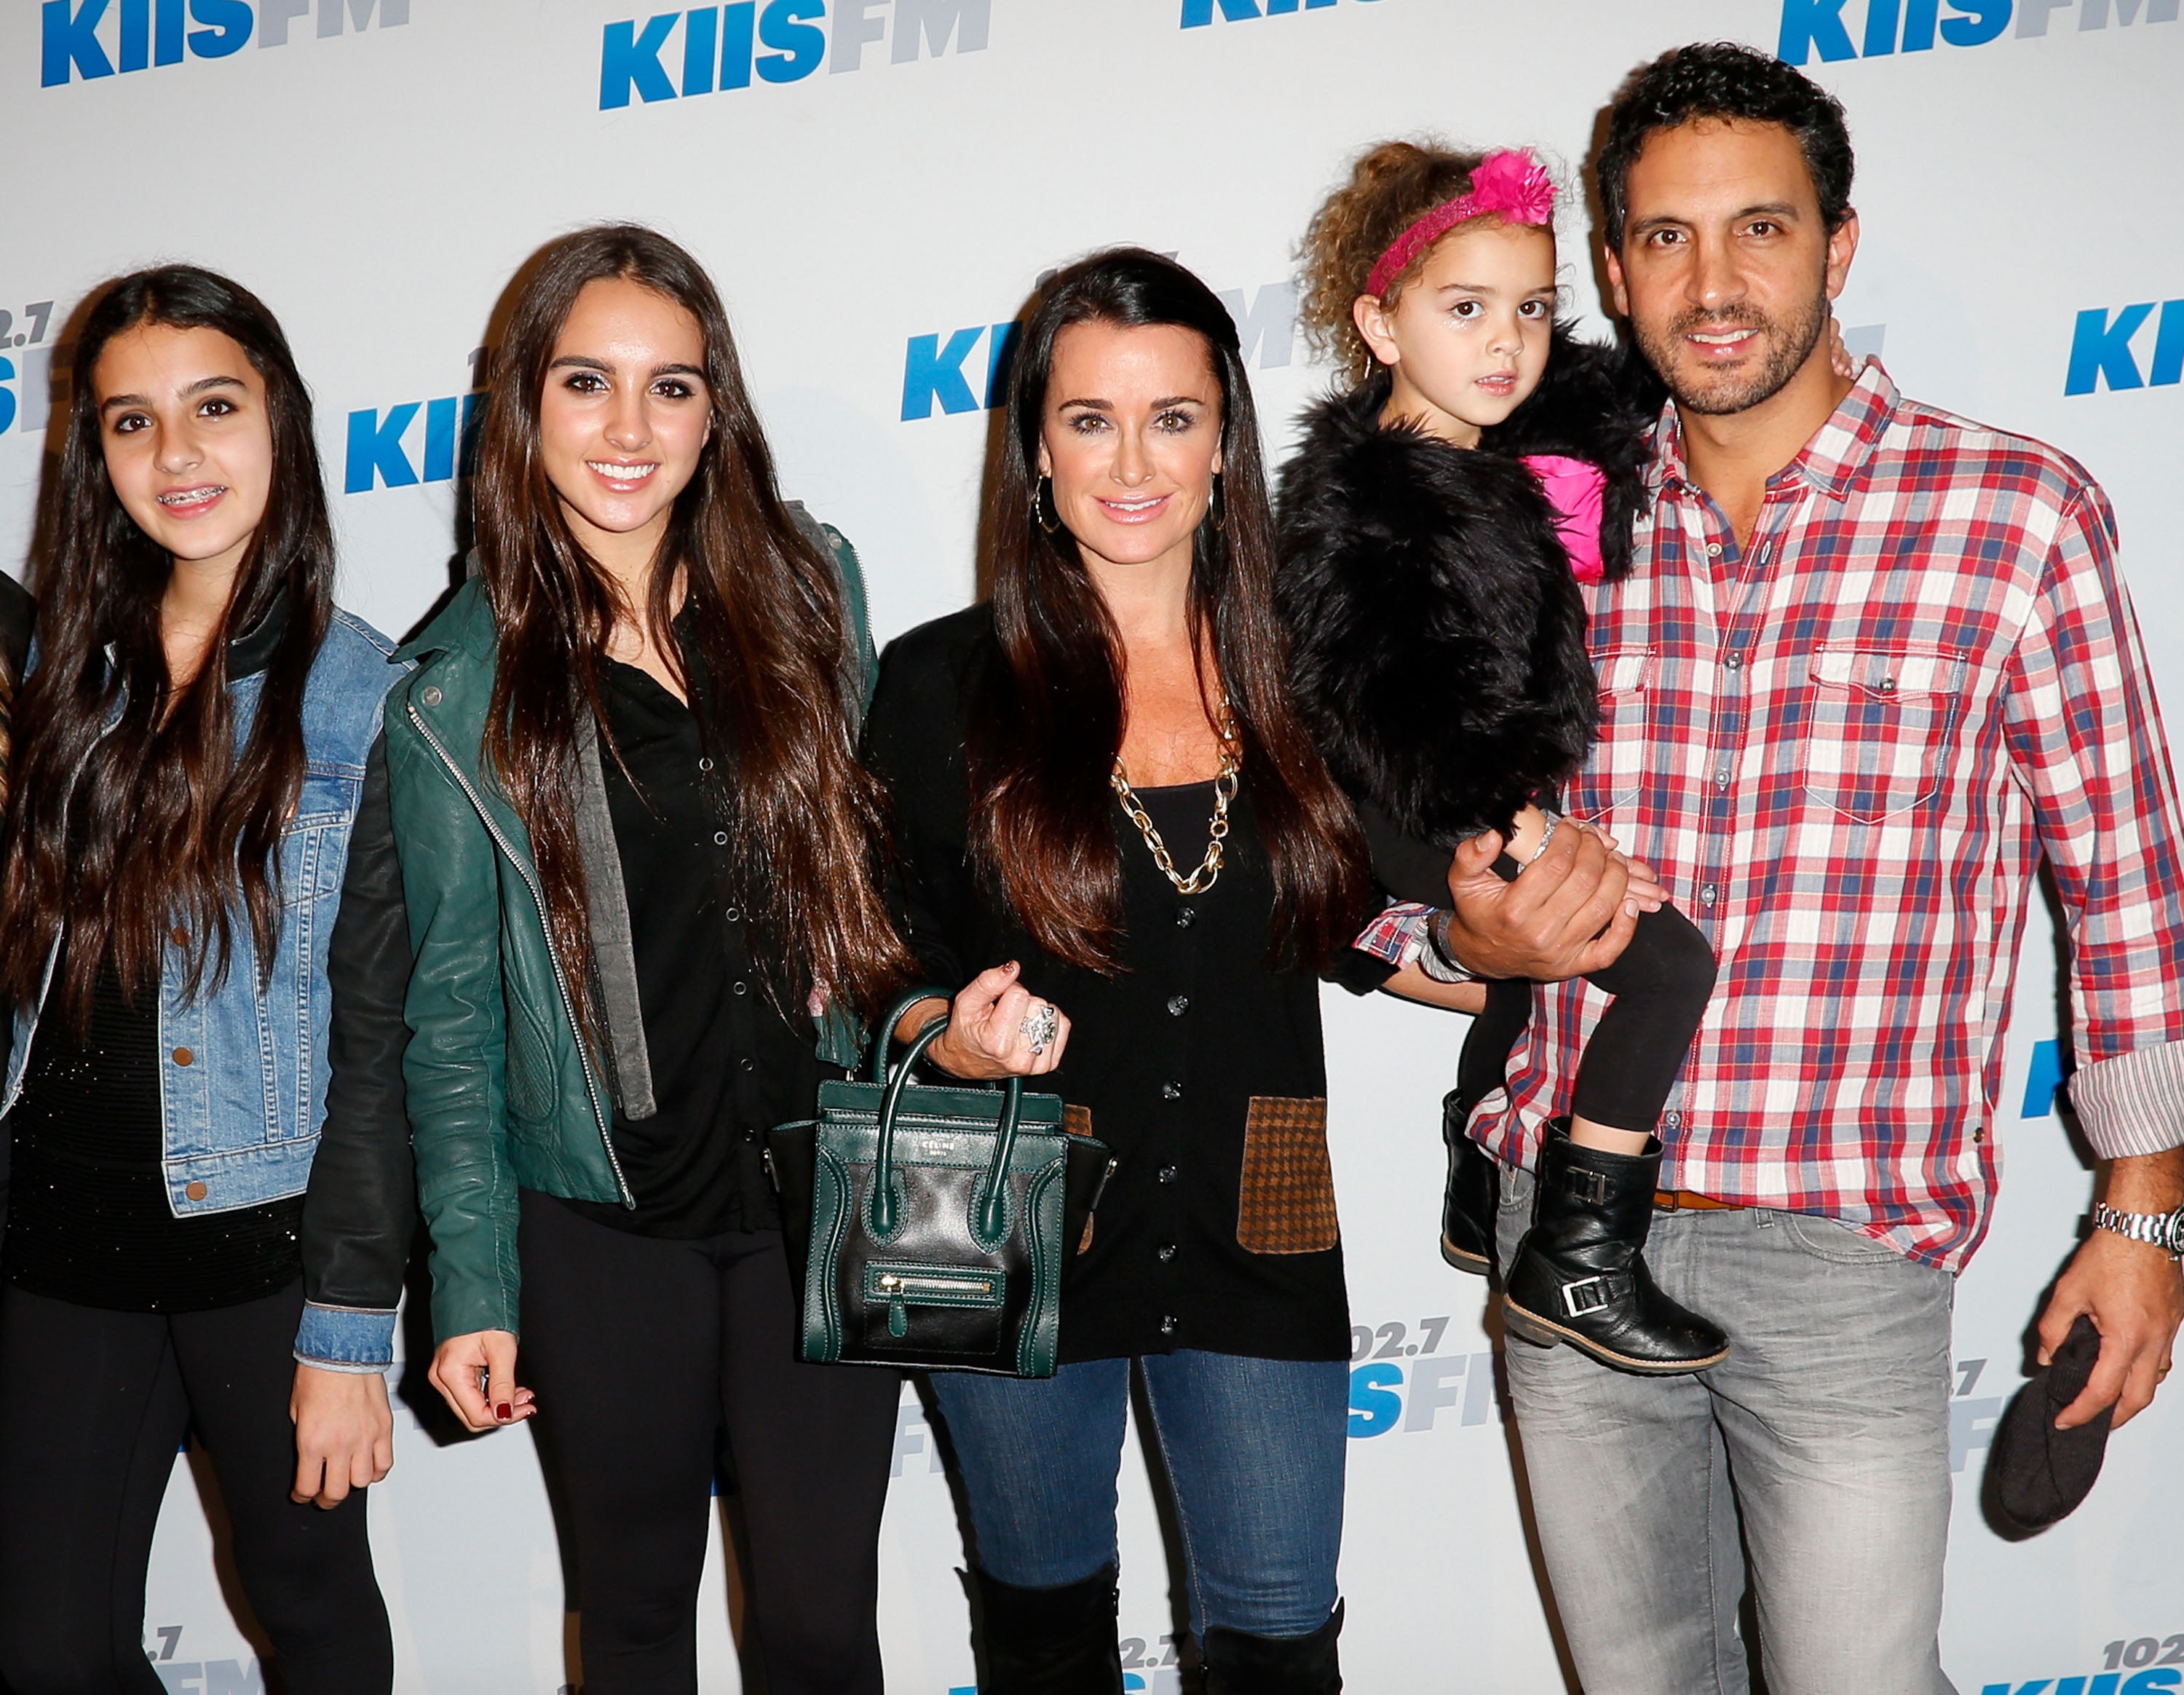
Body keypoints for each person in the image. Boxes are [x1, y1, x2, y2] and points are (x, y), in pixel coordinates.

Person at [1440, 44, 2184, 1694]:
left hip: (1841, 1249)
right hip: (1562, 1221)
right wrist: (1465, 942)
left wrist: (2149, 1212)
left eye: (1760, 230)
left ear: (1839, 246)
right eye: (1663, 239)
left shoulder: (2017, 514)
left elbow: (2124, 886)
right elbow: (1380, 828)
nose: (1713, 285)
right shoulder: (1532, 528)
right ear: (1614, 268)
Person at [385, 224, 907, 1695]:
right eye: (587, 384)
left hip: (825, 1191)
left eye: (671, 388)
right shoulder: (456, 684)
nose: (630, 430)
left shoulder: (816, 590)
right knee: (628, 1627)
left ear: (716, 409)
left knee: (819, 1631)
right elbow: (452, 1018)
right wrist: (473, 1280)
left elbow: (883, 875)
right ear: (526, 407)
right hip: (599, 1227)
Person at [864, 248, 1384, 1695]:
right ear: (1036, 446)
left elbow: (1405, 919)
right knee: (1041, 1635)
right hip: (995, 1219)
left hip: (1257, 1213)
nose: (1132, 460)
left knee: (1280, 1637)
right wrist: (944, 1036)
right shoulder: (937, 684)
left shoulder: (1317, 674)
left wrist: (1519, 956)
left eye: (1173, 416)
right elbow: (867, 966)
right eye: (1090, 419)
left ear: (1227, 441)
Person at [0, 266, 406, 1695]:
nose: (175, 457)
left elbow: (385, 1052)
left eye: (213, 408)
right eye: (131, 422)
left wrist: (351, 1331)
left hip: (262, 1258)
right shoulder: (55, 668)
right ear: (93, 454)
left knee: (311, 1618)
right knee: (45, 1652)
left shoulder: (365, 697)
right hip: (52, 1249)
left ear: (281, 423)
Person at [1275, 138, 1729, 1373]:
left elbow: (1617, 382)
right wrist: (1535, 839)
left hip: (1467, 794)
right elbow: (1397, 714)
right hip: (1424, 810)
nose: (1506, 343)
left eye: (1530, 310)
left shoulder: (1490, 452)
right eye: (1464, 309)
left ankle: (1482, 1179)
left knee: (1531, 984)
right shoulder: (1374, 502)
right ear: (1380, 322)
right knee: (1670, 965)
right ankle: (1579, 1255)